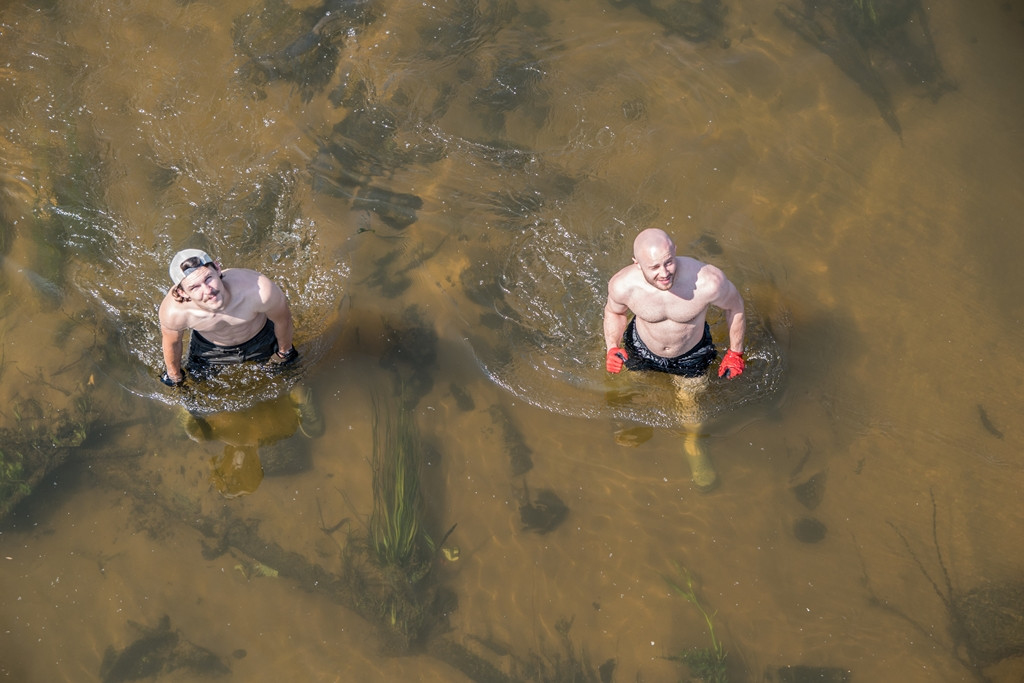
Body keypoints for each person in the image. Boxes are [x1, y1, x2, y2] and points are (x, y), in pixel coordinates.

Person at [603, 228, 745, 491]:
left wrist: (735, 352)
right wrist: (612, 346)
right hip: (642, 347)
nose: (665, 272)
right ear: (637, 264)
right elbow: (614, 312)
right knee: (637, 384)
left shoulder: (707, 281)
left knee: (689, 403)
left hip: (691, 354)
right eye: (654, 267)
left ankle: (692, 443)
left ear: (675, 250)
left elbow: (734, 306)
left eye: (668, 261)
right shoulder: (623, 285)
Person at [158, 248, 298, 385]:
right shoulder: (175, 313)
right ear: (182, 293)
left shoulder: (259, 291)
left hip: (261, 338)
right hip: (210, 350)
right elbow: (172, 343)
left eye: (208, 279)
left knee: (292, 375)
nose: (208, 291)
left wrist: (284, 353)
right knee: (192, 392)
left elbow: (283, 321)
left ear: (218, 269)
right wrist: (175, 376)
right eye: (195, 287)